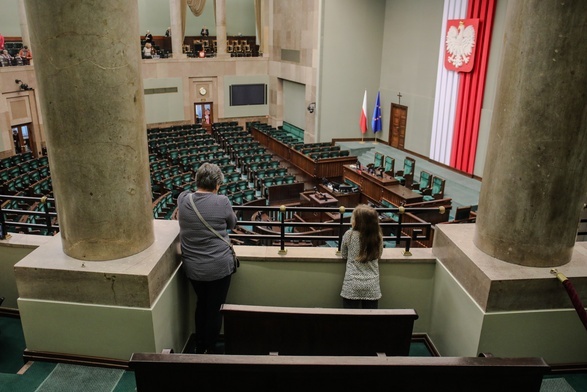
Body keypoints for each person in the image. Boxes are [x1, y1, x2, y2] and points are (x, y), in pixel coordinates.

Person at [177, 162, 237, 354]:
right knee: (215, 309)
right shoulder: (223, 201)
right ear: (218, 184)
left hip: (193, 268)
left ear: (197, 180)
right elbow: (232, 224)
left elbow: (186, 195)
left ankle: (200, 345)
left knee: (202, 304)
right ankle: (209, 350)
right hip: (219, 267)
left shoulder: (183, 199)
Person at [340, 204, 383, 309]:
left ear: (357, 221)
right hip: (372, 285)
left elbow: (344, 255)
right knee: (369, 322)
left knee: (348, 321)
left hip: (352, 283)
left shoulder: (349, 235)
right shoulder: (377, 236)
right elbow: (379, 255)